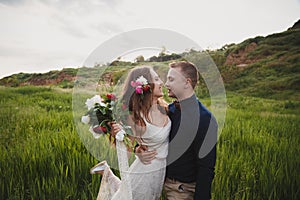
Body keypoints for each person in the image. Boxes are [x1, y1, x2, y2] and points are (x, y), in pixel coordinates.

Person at [136, 61, 218, 200]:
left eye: (171, 79)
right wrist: (139, 149)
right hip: (158, 181)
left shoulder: (205, 119)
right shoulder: (170, 109)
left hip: (182, 190)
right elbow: (152, 135)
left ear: (187, 82)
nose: (166, 84)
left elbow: (206, 167)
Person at [90, 66, 171, 200]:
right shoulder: (136, 116)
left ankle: (108, 173)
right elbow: (127, 152)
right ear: (146, 86)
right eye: (156, 79)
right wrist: (122, 137)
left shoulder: (166, 108)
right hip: (144, 173)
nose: (161, 82)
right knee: (126, 195)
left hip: (160, 173)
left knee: (125, 193)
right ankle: (108, 174)